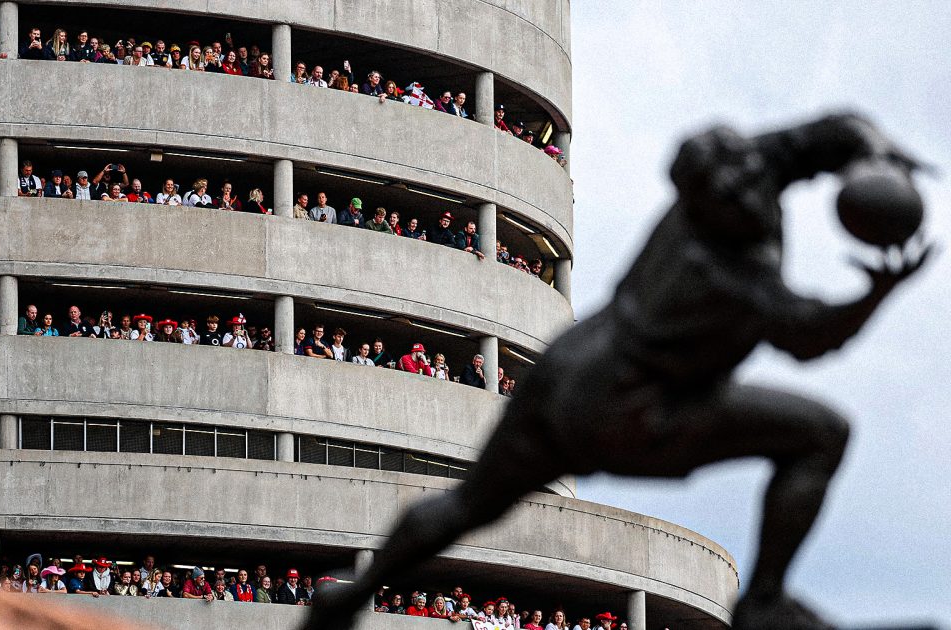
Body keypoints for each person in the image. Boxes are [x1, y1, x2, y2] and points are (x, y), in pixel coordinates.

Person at [306, 114, 934, 630]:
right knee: (822, 434)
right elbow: (809, 336)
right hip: (626, 409)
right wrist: (877, 294)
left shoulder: (749, 169)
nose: (746, 194)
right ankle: (764, 602)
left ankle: (352, 596)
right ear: (702, 206)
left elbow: (829, 133)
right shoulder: (720, 275)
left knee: (469, 503)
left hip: (568, 368)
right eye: (729, 194)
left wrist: (873, 157)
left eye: (748, 177)